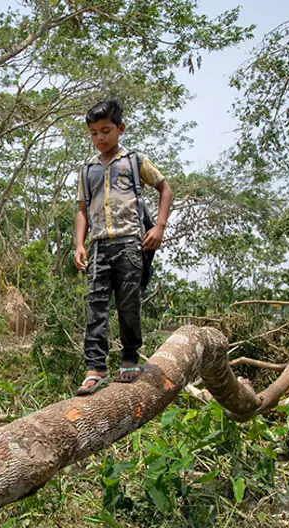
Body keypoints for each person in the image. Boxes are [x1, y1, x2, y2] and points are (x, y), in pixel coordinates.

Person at [73, 99, 172, 396]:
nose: (100, 138)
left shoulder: (134, 161)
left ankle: (129, 358)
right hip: (98, 247)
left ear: (120, 128)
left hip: (130, 243)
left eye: (106, 131)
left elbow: (165, 188)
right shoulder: (87, 170)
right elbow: (82, 209)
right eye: (94, 133)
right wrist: (79, 244)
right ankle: (95, 367)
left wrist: (159, 227)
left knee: (128, 305)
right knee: (96, 306)